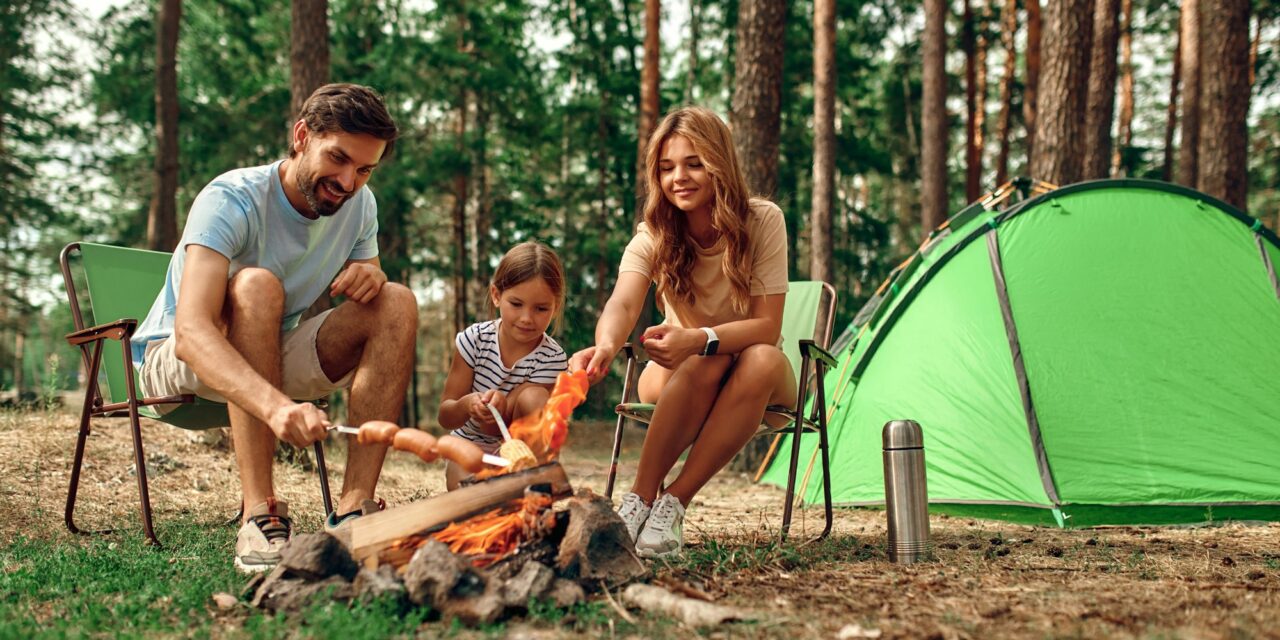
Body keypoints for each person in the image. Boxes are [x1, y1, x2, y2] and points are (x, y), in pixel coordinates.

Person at [130, 83, 418, 572]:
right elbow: (192, 332)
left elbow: (369, 281)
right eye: (338, 158)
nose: (347, 182)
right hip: (176, 360)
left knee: (396, 301)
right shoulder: (231, 199)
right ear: (302, 136)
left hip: (271, 350)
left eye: (364, 170)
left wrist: (372, 275)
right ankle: (258, 514)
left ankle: (353, 511)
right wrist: (276, 407)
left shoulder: (360, 205)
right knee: (256, 285)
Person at [568, 107, 796, 558]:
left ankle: (672, 501)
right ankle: (639, 500)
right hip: (680, 375)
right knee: (706, 360)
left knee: (756, 356)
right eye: (667, 167)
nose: (679, 178)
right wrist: (606, 345)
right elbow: (623, 302)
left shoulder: (762, 220)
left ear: (719, 163)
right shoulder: (655, 233)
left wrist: (700, 338)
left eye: (694, 163)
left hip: (757, 380)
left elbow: (767, 327)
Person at [437, 241, 568, 489]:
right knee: (466, 490)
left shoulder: (552, 358)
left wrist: (502, 405)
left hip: (518, 452)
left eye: (541, 309)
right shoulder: (474, 340)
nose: (526, 318)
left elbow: (519, 423)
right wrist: (467, 405)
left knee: (535, 397)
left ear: (555, 307)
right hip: (470, 446)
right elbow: (445, 416)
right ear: (496, 295)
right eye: (516, 304)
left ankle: (535, 484)